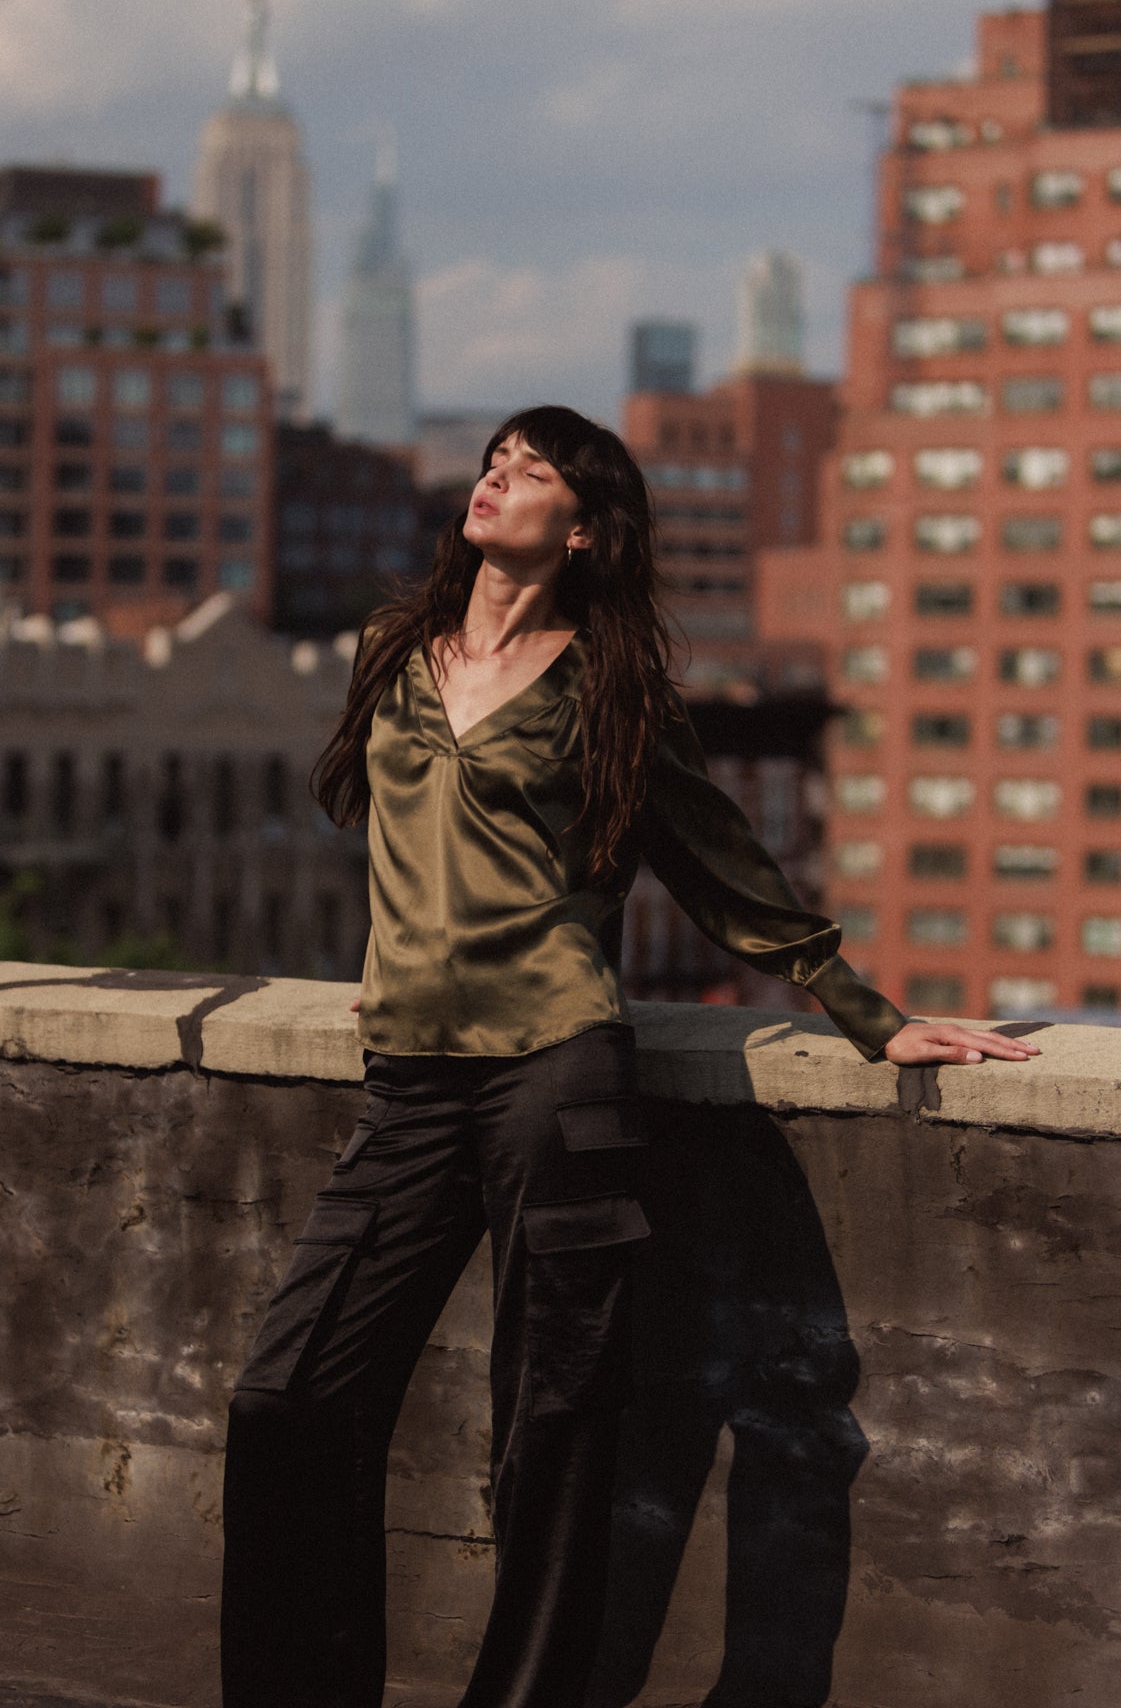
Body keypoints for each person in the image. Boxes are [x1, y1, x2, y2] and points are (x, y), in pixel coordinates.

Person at [220, 405, 1037, 1708]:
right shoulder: (391, 648)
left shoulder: (610, 683)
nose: (497, 479)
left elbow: (722, 866)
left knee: (550, 1426)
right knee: (286, 1398)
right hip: (409, 1078)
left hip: (555, 1073)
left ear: (584, 525)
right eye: (492, 460)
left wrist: (869, 1013)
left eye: (530, 470)